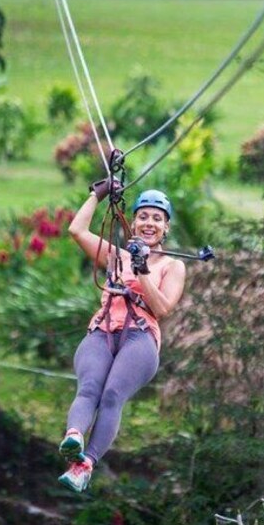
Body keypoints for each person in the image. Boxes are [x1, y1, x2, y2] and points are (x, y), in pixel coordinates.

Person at [57, 181, 187, 492]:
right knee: (89, 388)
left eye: (157, 218)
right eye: (143, 216)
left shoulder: (173, 265)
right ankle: (74, 438)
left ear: (166, 227)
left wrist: (142, 269)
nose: (149, 223)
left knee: (112, 395)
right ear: (134, 222)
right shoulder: (117, 256)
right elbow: (77, 231)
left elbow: (163, 307)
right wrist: (97, 194)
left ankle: (87, 463)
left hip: (139, 338)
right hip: (102, 330)